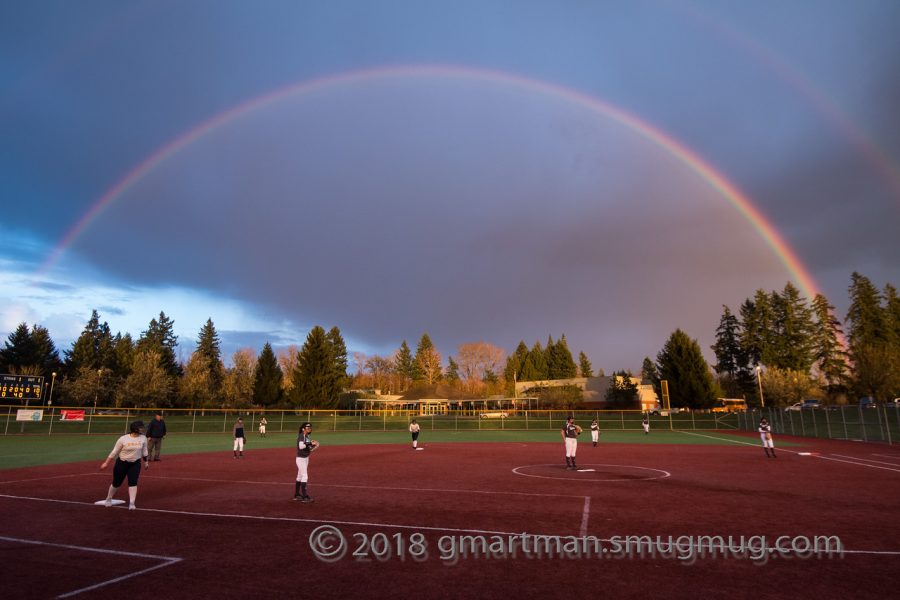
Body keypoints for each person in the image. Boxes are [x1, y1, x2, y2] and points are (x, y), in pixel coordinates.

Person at [100, 420, 149, 510]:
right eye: (140, 427)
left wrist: (146, 462)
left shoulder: (143, 438)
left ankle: (132, 503)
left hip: (135, 464)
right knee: (116, 483)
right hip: (122, 463)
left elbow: (145, 450)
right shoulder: (123, 439)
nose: (142, 429)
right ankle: (109, 498)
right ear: (135, 429)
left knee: (133, 482)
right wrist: (106, 462)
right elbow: (114, 452)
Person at [294, 422, 319, 502]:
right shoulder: (302, 435)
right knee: (305, 476)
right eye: (307, 428)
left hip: (305, 458)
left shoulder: (307, 436)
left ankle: (297, 495)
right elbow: (301, 446)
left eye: (310, 428)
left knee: (300, 476)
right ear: (303, 429)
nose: (309, 429)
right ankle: (305, 496)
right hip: (301, 459)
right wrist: (311, 443)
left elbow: (309, 448)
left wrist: (314, 446)